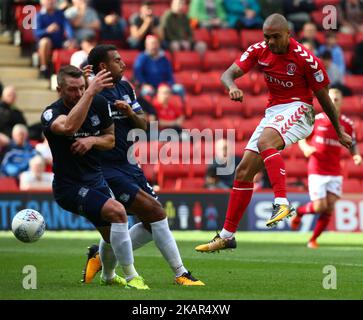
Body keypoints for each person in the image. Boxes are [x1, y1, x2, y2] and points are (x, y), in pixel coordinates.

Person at [195, 13, 352, 253]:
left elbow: (324, 98)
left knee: (266, 141)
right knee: (244, 170)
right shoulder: (259, 50)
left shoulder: (306, 60)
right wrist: (232, 87)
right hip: (274, 113)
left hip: (300, 109)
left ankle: (281, 202)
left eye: (275, 37)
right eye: (266, 37)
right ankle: (227, 236)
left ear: (288, 34)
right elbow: (227, 74)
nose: (270, 42)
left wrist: (339, 130)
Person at [82, 44, 204, 286]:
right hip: (106, 168)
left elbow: (143, 125)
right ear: (103, 67)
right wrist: (87, 84)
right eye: (117, 60)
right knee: (157, 213)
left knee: (149, 224)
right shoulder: (91, 92)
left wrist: (129, 112)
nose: (123, 63)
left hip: (130, 164)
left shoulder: (126, 87)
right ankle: (180, 273)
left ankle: (101, 257)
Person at [41, 65, 149, 289]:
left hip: (96, 180)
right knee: (119, 213)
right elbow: (69, 126)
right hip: (69, 187)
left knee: (111, 239)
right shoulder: (51, 113)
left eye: (82, 87)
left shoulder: (99, 104)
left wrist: (92, 141)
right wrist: (91, 91)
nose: (78, 93)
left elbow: (109, 140)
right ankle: (132, 277)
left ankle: (108, 277)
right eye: (72, 89)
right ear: (59, 89)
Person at [290, 88, 362, 248]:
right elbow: (302, 138)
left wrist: (356, 155)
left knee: (329, 206)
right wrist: (306, 148)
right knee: (320, 206)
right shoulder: (316, 119)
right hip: (317, 168)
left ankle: (313, 239)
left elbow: (352, 144)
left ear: (342, 101)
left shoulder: (347, 124)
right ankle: (299, 212)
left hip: (335, 170)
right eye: (331, 99)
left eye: (337, 99)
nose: (334, 101)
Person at [134, 35, 185, 99]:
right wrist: (144, 84)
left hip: (163, 86)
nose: (154, 46)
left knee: (179, 89)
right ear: (146, 45)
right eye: (152, 44)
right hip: (149, 87)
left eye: (155, 43)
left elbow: (169, 75)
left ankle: (182, 108)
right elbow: (138, 74)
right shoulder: (141, 58)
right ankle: (146, 109)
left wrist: (168, 85)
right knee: (146, 92)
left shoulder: (164, 59)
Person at [34, 0, 76, 78]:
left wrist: (71, 39)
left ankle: (70, 74)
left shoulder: (60, 14)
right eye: (47, 1)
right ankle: (44, 68)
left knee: (72, 44)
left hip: (59, 42)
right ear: (42, 2)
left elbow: (67, 27)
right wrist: (47, 30)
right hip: (46, 44)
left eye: (52, 1)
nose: (50, 2)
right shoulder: (38, 15)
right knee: (45, 41)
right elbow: (36, 33)